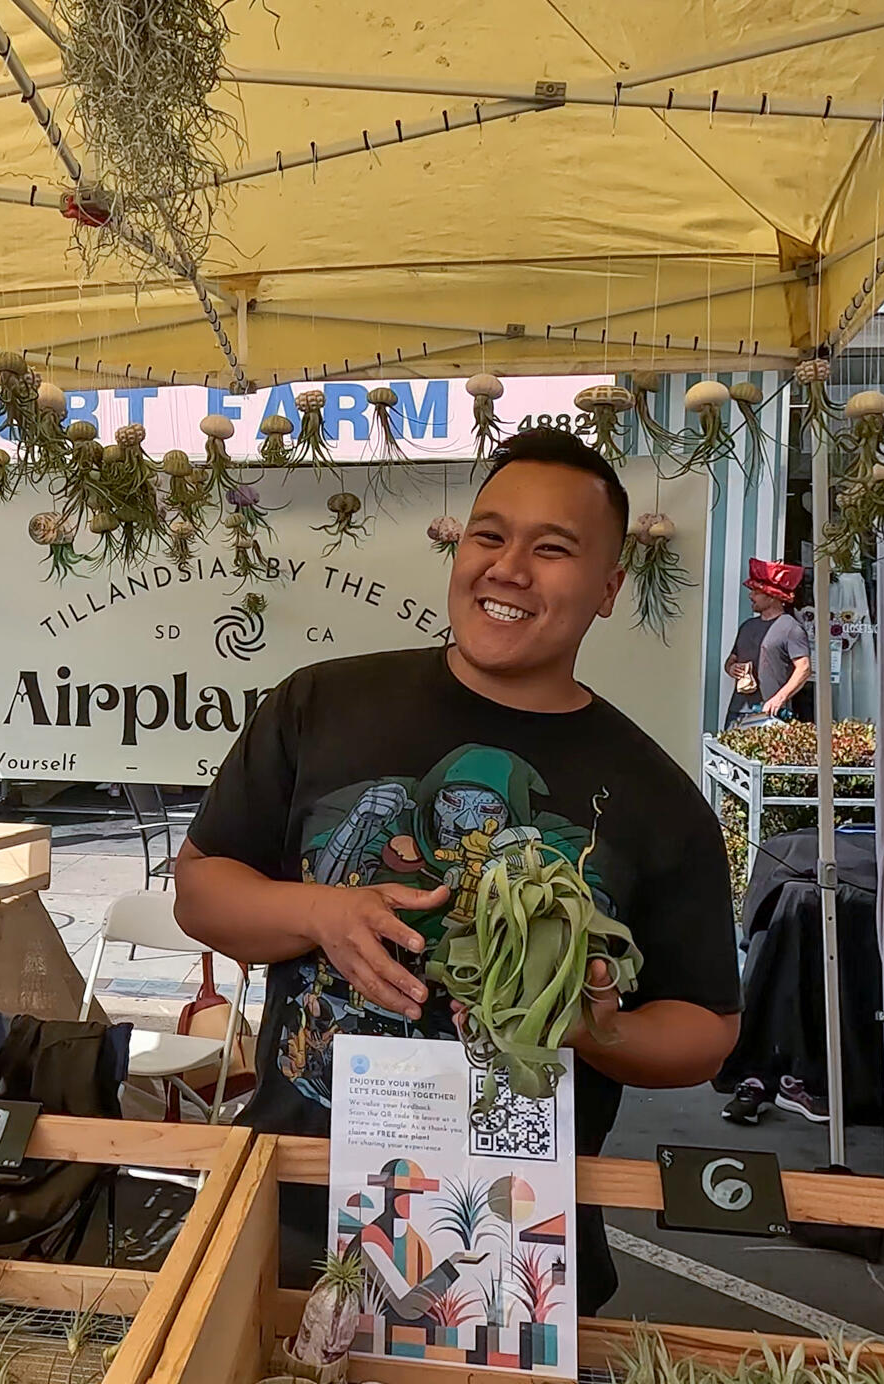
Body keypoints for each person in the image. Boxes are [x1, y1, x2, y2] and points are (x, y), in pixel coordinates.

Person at [174, 428, 740, 1316]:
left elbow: (706, 1027)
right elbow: (202, 888)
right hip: (292, 1223)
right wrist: (322, 913)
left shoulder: (655, 798)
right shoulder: (322, 704)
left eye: (552, 549)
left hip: (511, 1255)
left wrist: (592, 1029)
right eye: (489, 535)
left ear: (608, 588)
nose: (508, 568)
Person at [723, 559, 810, 727]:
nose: (751, 596)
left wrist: (780, 698)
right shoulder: (747, 626)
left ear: (771, 596)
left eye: (756, 592)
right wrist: (731, 668)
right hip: (738, 710)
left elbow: (804, 668)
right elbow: (731, 659)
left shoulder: (790, 627)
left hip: (772, 711)